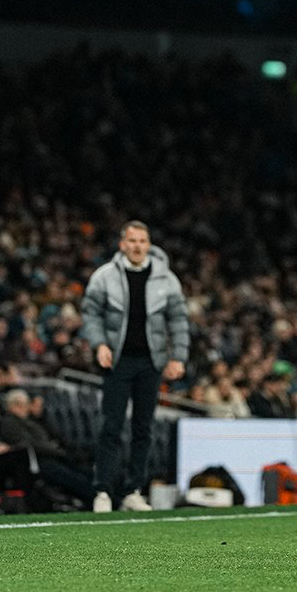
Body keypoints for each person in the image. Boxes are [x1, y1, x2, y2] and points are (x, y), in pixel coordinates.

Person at [80, 220, 189, 513]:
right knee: (111, 426)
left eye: (143, 241)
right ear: (122, 244)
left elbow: (178, 319)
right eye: (133, 240)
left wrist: (178, 356)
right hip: (118, 361)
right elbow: (90, 313)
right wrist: (99, 344)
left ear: (149, 244)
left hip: (150, 362)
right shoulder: (105, 276)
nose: (138, 246)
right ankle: (103, 490)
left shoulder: (166, 279)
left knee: (144, 428)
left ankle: (133, 491)